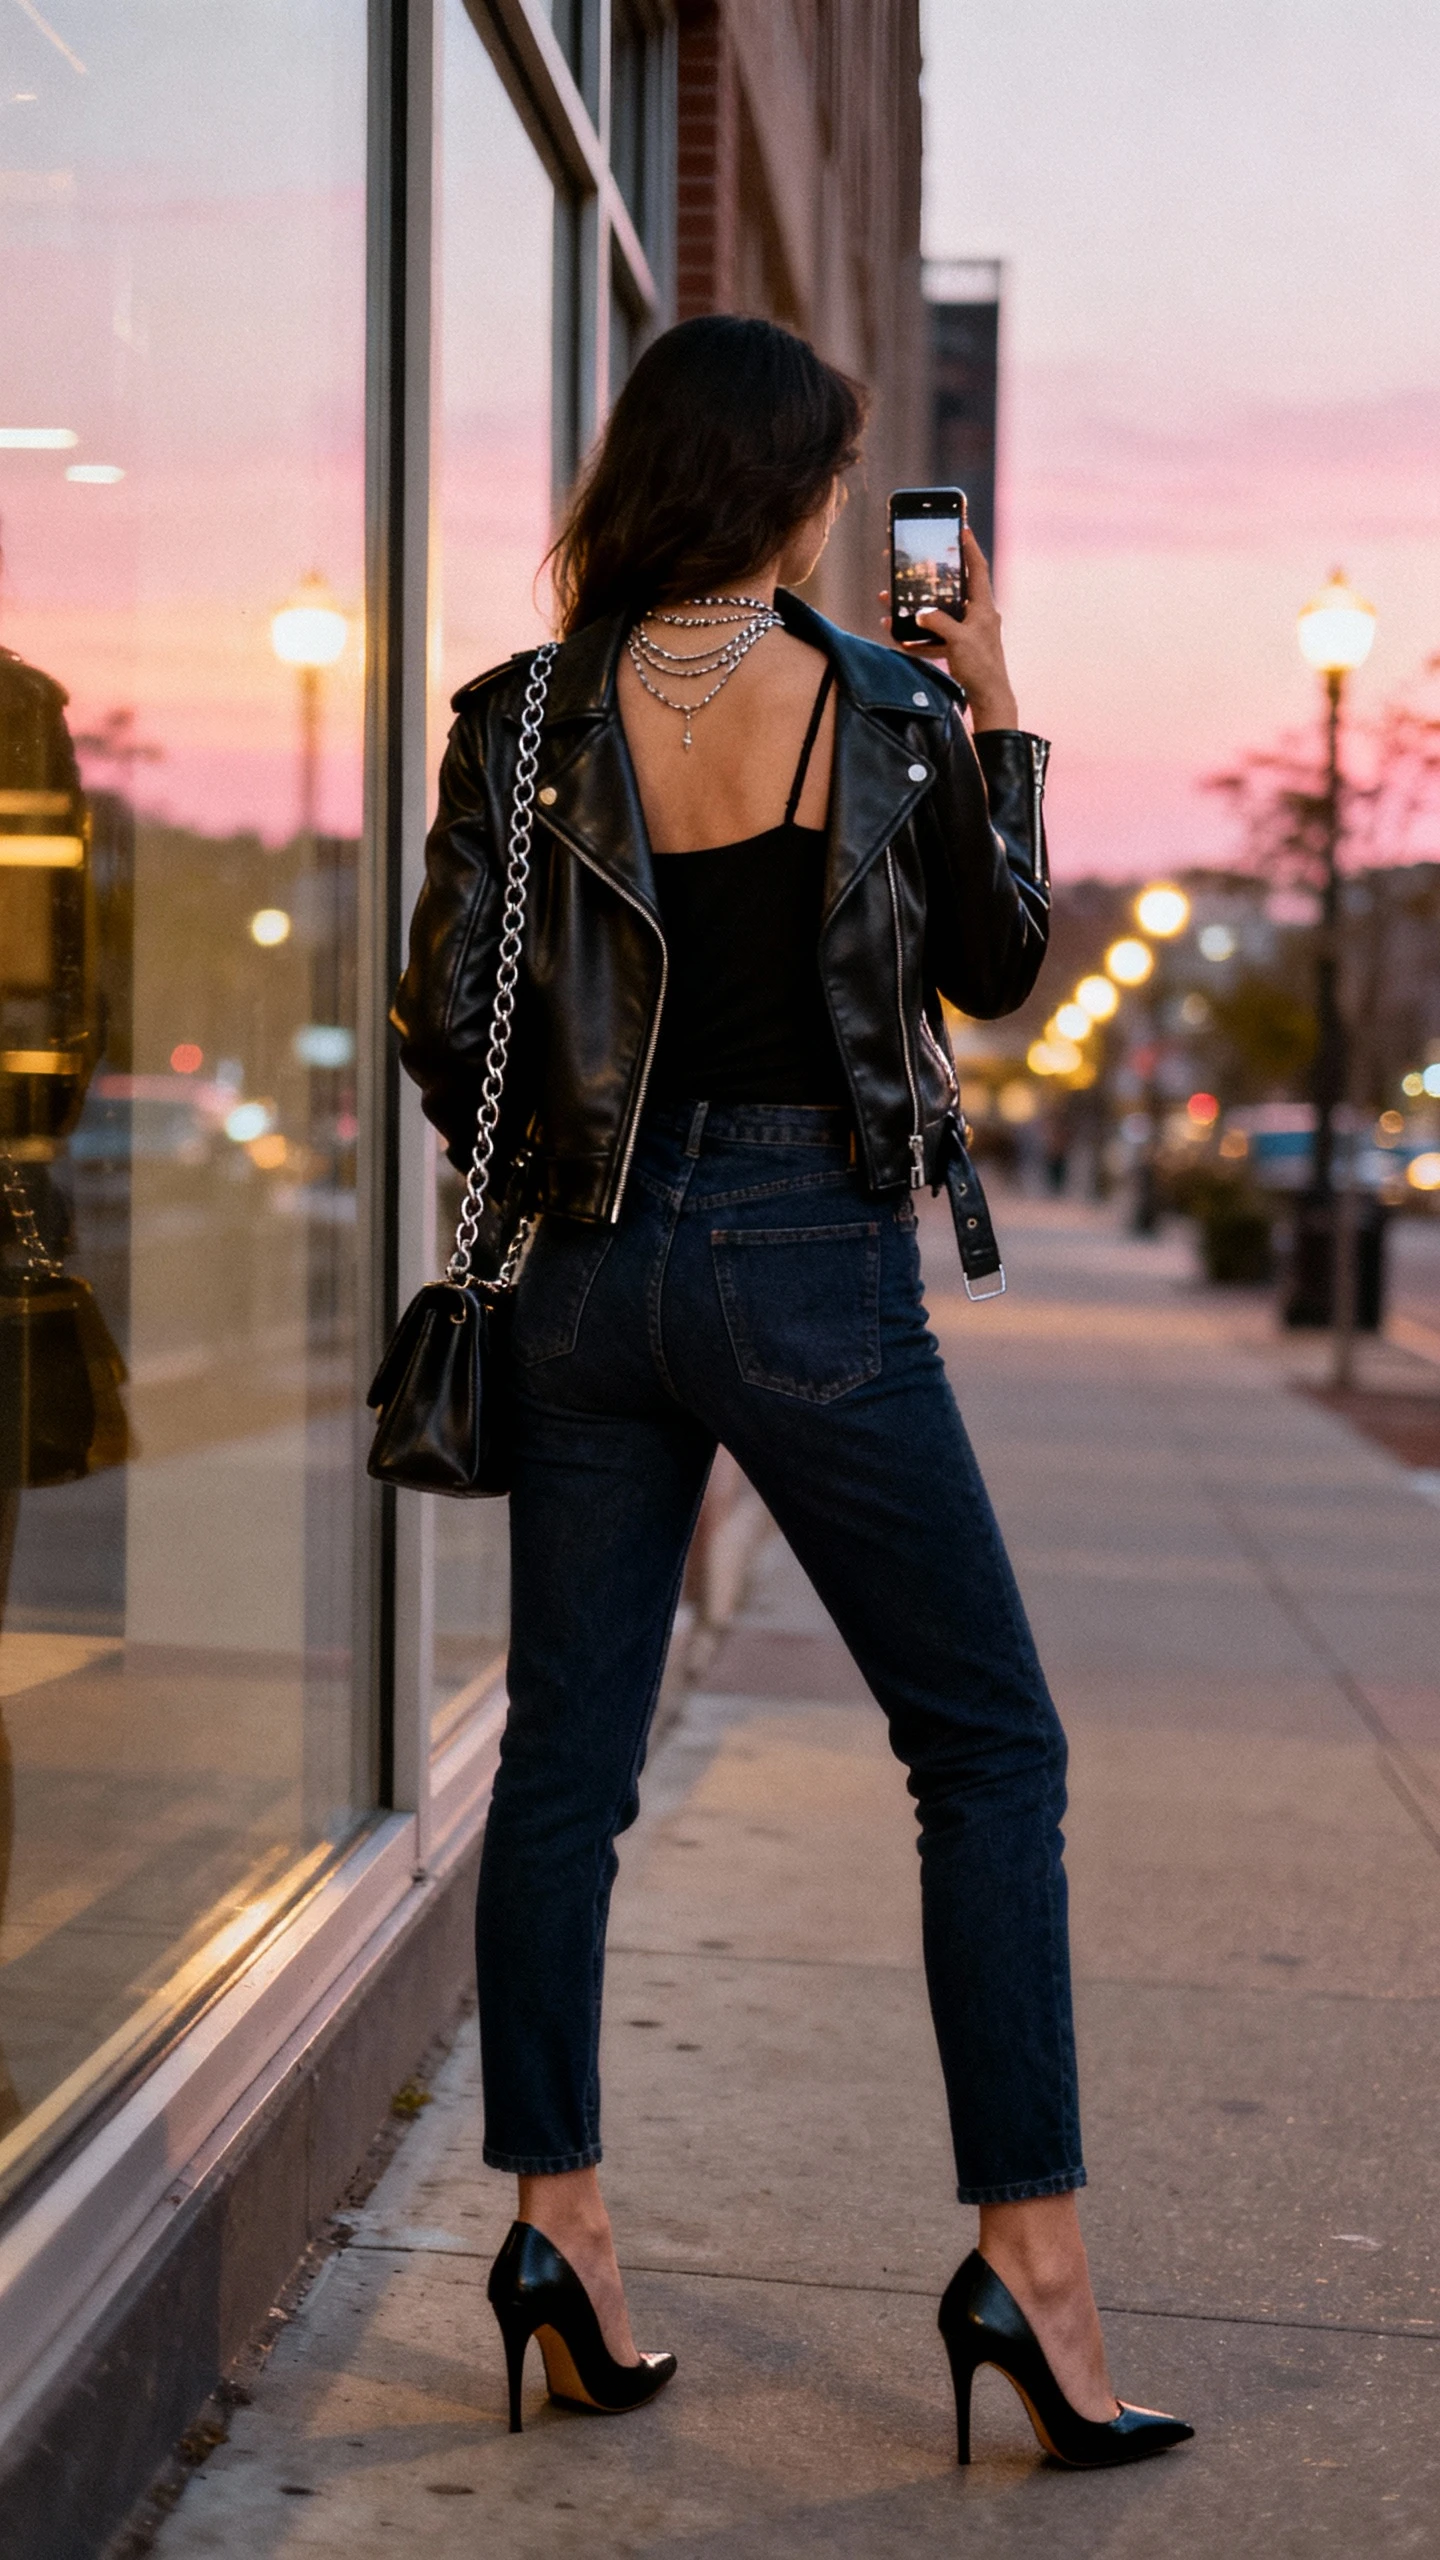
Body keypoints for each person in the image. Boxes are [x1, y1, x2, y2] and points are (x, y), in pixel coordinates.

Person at [392, 314, 1191, 2468]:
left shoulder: (518, 721)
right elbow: (997, 962)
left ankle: (560, 2229)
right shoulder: (890, 704)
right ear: (790, 488)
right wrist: (1000, 697)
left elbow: (433, 1018)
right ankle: (1031, 2268)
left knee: (567, 1761)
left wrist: (583, 1181)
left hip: (575, 1276)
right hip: (808, 1262)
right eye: (834, 473)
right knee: (988, 1741)